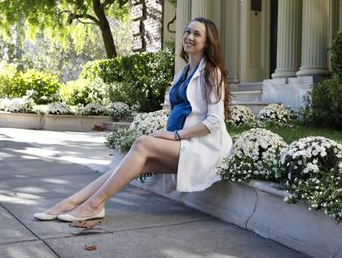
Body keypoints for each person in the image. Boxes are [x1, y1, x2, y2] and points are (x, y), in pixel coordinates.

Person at [33, 17, 233, 222]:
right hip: (183, 143)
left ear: (208, 42)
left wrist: (174, 135)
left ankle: (94, 204)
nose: (189, 37)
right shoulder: (184, 72)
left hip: (205, 148)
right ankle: (72, 202)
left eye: (197, 34)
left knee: (142, 144)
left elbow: (214, 121)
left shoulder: (211, 73)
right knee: (135, 164)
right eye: (187, 31)